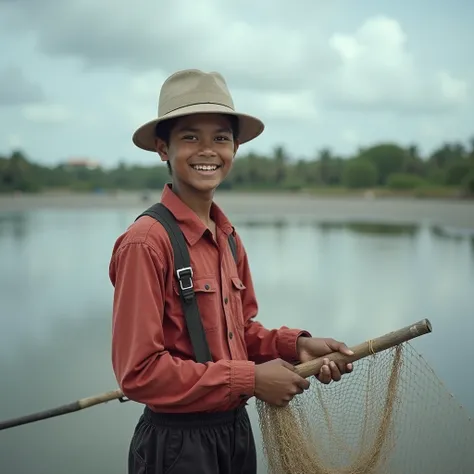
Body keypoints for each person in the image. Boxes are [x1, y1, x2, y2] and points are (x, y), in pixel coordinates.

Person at [109, 69, 354, 474]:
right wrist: (251, 380)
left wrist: (295, 347)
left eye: (221, 138)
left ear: (235, 149)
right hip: (176, 445)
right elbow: (139, 374)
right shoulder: (145, 242)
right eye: (190, 136)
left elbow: (240, 334)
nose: (208, 150)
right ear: (162, 148)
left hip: (234, 433)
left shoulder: (228, 237)